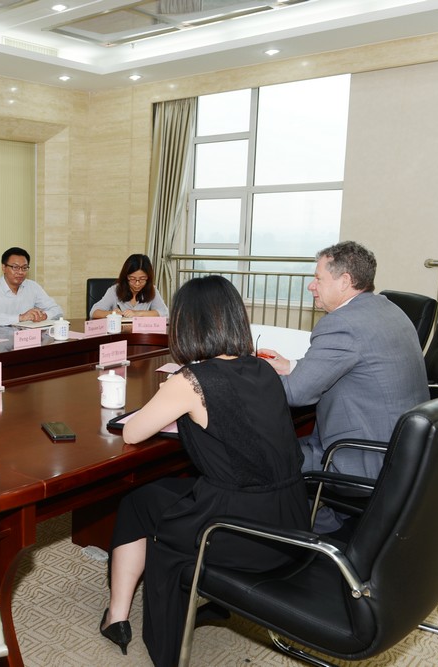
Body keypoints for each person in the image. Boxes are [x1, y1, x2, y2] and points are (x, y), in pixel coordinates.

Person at [101, 275, 308, 667]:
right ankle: (140, 611)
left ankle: (118, 616)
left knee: (137, 501)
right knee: (150, 496)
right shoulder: (263, 369)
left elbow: (132, 432)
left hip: (235, 530)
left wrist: (174, 387)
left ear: (185, 325)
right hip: (290, 520)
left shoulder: (191, 381)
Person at [258, 241, 429, 528]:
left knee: (260, 455)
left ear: (345, 281)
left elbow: (295, 393)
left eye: (318, 278)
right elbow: (355, 363)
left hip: (360, 460)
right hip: (402, 454)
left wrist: (246, 377)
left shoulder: (342, 323)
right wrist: (293, 366)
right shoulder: (389, 309)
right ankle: (325, 519)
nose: (311, 286)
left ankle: (292, 529)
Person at [0, 247, 63, 325]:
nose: (20, 272)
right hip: (0, 335)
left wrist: (44, 315)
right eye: (15, 267)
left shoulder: (33, 286)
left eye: (24, 268)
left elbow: (58, 310)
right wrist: (21, 318)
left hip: (28, 335)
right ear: (4, 267)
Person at [90, 254, 168, 319]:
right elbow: (94, 312)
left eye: (142, 279)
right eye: (132, 279)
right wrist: (112, 313)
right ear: (126, 277)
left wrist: (138, 313)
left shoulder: (152, 290)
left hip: (142, 332)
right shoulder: (115, 290)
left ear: (148, 278)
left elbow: (165, 313)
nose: (137, 283)